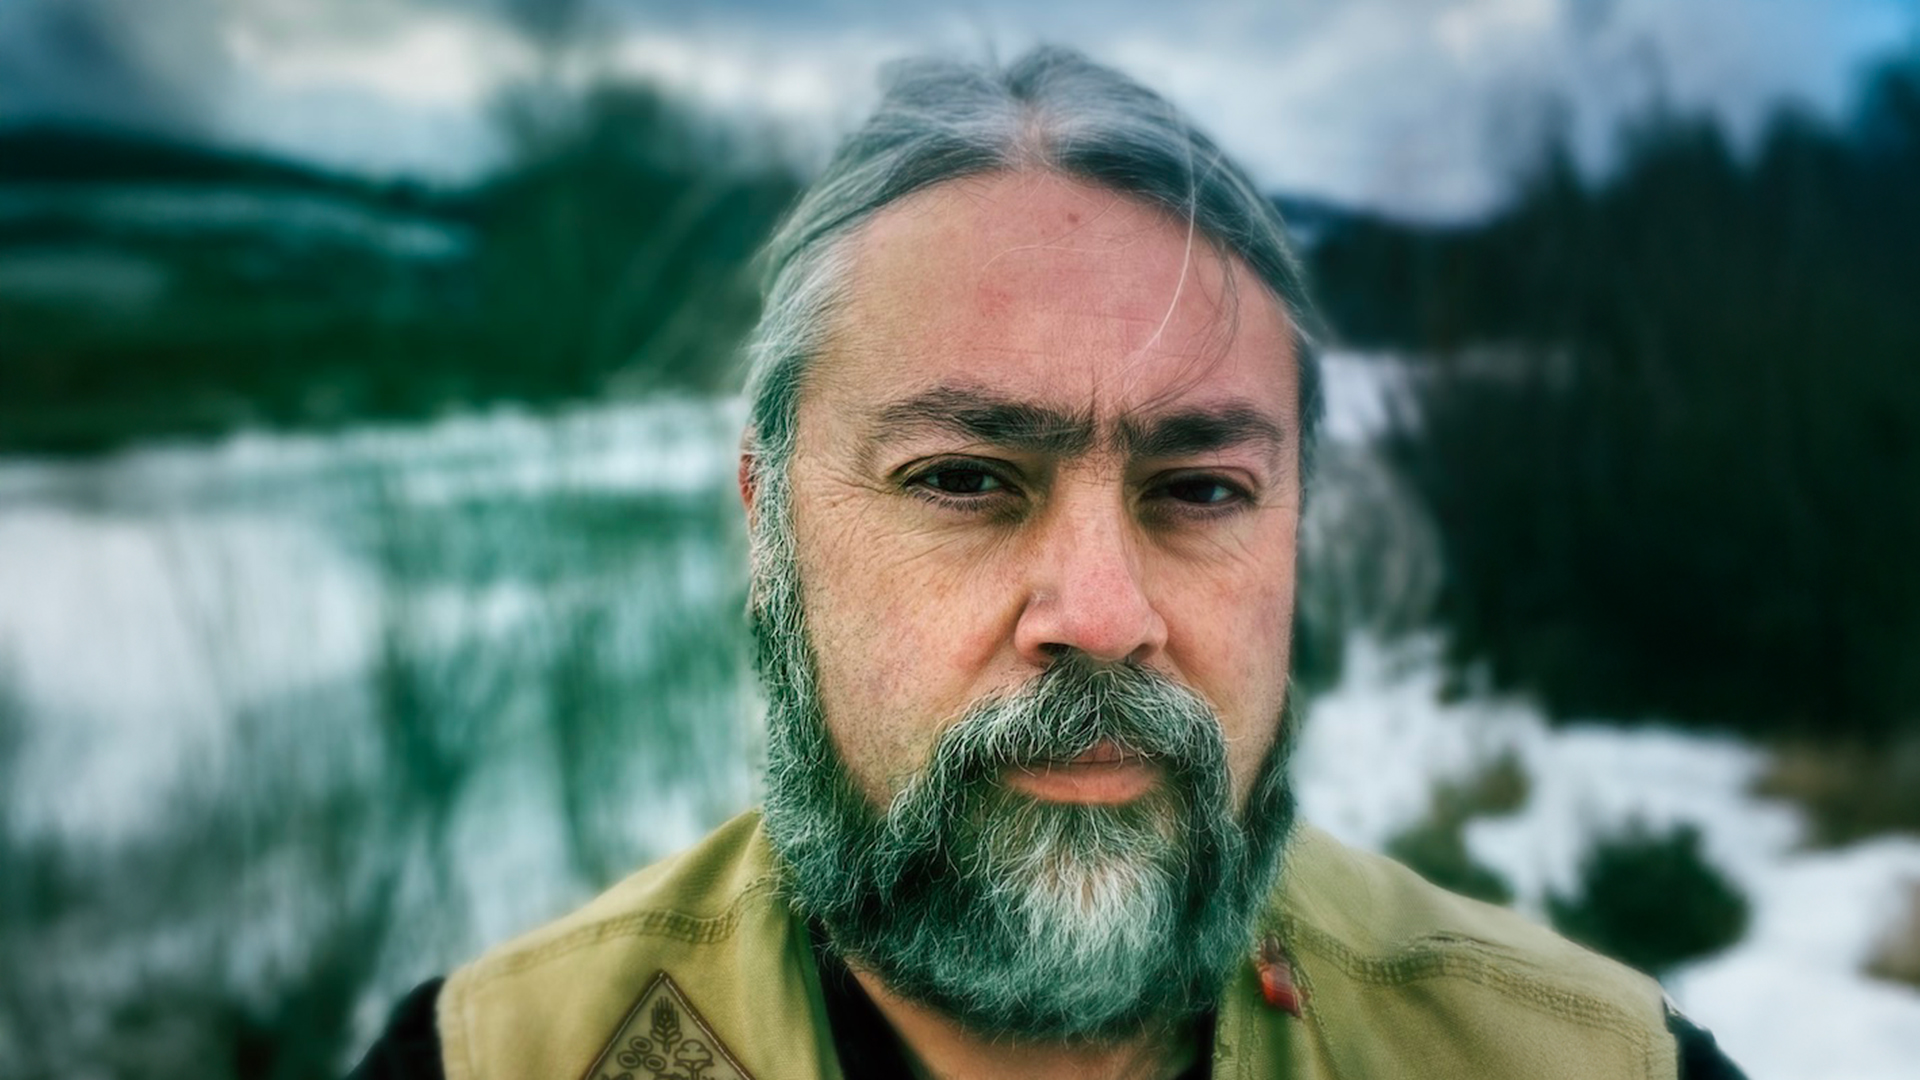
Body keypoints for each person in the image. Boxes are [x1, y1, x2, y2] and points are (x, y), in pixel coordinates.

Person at [351, 47, 1745, 1080]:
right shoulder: (498, 1062)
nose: (1100, 616)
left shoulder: (1583, 1065)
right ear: (771, 531)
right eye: (964, 478)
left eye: (1200, 489)